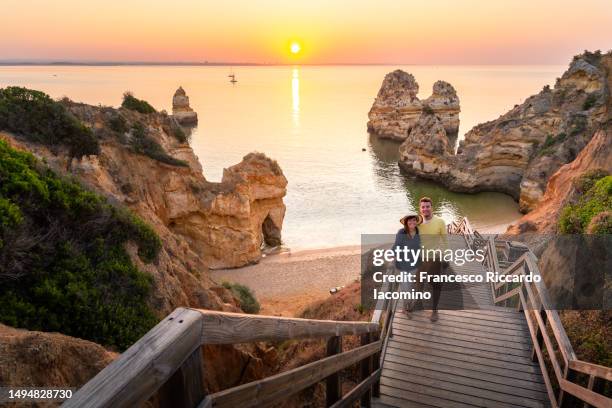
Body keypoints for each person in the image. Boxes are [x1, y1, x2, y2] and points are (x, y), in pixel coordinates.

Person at [415, 196, 447, 322]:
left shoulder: (440, 222)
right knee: (419, 282)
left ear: (431, 208)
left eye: (427, 206)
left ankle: (434, 310)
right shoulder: (417, 222)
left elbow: (445, 241)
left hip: (434, 259)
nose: (425, 209)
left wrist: (445, 258)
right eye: (423, 207)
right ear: (420, 209)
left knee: (436, 285)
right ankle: (418, 303)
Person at [393, 214, 421, 314]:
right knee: (406, 287)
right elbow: (396, 246)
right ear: (406, 222)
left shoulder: (418, 232)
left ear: (416, 221)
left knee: (412, 286)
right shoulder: (401, 232)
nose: (412, 222)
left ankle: (408, 306)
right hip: (403, 265)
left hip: (415, 264)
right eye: (409, 221)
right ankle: (406, 307)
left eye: (414, 220)